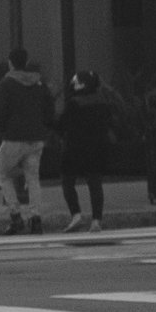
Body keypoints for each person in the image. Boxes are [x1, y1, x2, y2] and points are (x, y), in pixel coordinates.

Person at [0, 44, 54, 235]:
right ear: (26, 62)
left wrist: (2, 130)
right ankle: (36, 219)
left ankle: (16, 216)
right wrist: (44, 128)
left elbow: (0, 112)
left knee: (4, 176)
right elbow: (49, 110)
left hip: (13, 137)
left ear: (10, 63)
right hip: (36, 138)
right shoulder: (38, 82)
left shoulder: (6, 83)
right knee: (33, 178)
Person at [57, 66, 116, 233]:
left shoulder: (73, 103)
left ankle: (76, 215)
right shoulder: (102, 103)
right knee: (95, 183)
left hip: (74, 147)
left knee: (67, 181)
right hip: (97, 147)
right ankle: (96, 220)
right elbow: (110, 122)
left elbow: (62, 125)